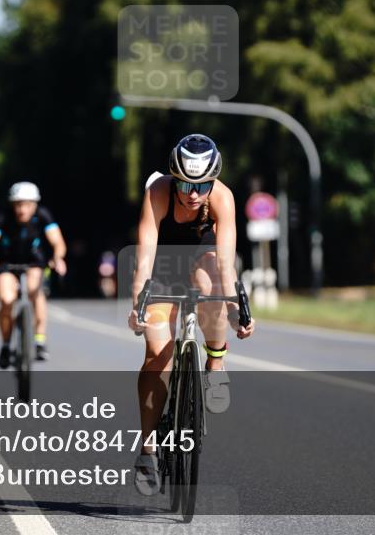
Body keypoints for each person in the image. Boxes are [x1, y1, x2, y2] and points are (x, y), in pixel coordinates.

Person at [127, 134, 254, 496]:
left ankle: (216, 361)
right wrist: (138, 302)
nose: (193, 193)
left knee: (212, 279)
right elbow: (145, 258)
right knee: (157, 355)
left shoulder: (223, 198)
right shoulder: (158, 193)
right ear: (173, 177)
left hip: (202, 255)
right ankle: (148, 448)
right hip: (162, 265)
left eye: (201, 185)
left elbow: (227, 263)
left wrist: (236, 308)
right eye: (184, 183)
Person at [0, 182, 67, 366]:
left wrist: (58, 258)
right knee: (6, 300)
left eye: (27, 204)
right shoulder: (4, 217)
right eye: (18, 204)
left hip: (34, 262)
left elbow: (58, 242)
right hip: (7, 264)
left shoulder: (43, 216)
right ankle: (5, 344)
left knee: (36, 291)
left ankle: (39, 340)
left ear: (34, 205)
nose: (22, 209)